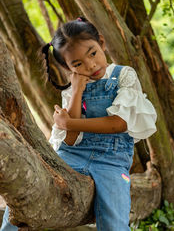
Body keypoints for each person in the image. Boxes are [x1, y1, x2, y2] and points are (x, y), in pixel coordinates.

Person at [0, 17, 157, 231]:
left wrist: (70, 122)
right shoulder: (72, 90)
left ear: (101, 43)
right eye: (77, 64)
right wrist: (76, 93)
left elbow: (118, 123)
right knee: (26, 193)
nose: (90, 65)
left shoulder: (123, 76)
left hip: (111, 162)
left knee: (115, 222)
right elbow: (71, 140)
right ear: (68, 68)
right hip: (72, 156)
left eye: (92, 53)